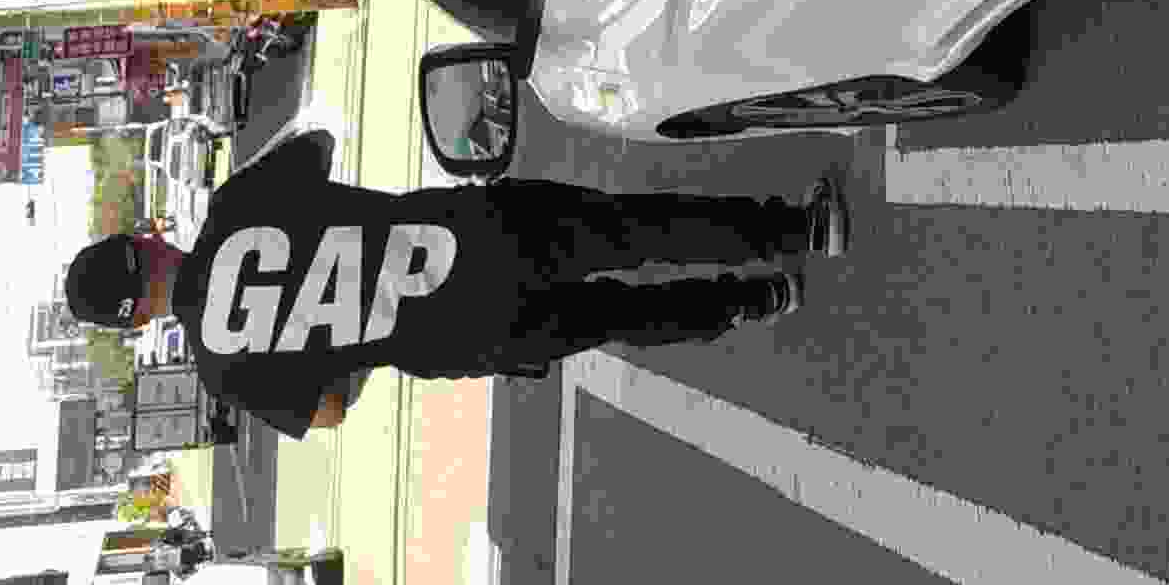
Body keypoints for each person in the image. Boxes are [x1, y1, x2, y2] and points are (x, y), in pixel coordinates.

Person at [62, 131, 845, 422]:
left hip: (463, 337)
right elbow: (319, 146)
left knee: (615, 319)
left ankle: (761, 298)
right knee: (634, 232)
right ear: (145, 241)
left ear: (137, 320)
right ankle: (797, 229)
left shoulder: (225, 369)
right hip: (471, 234)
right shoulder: (236, 206)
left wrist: (351, 342)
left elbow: (326, 411)